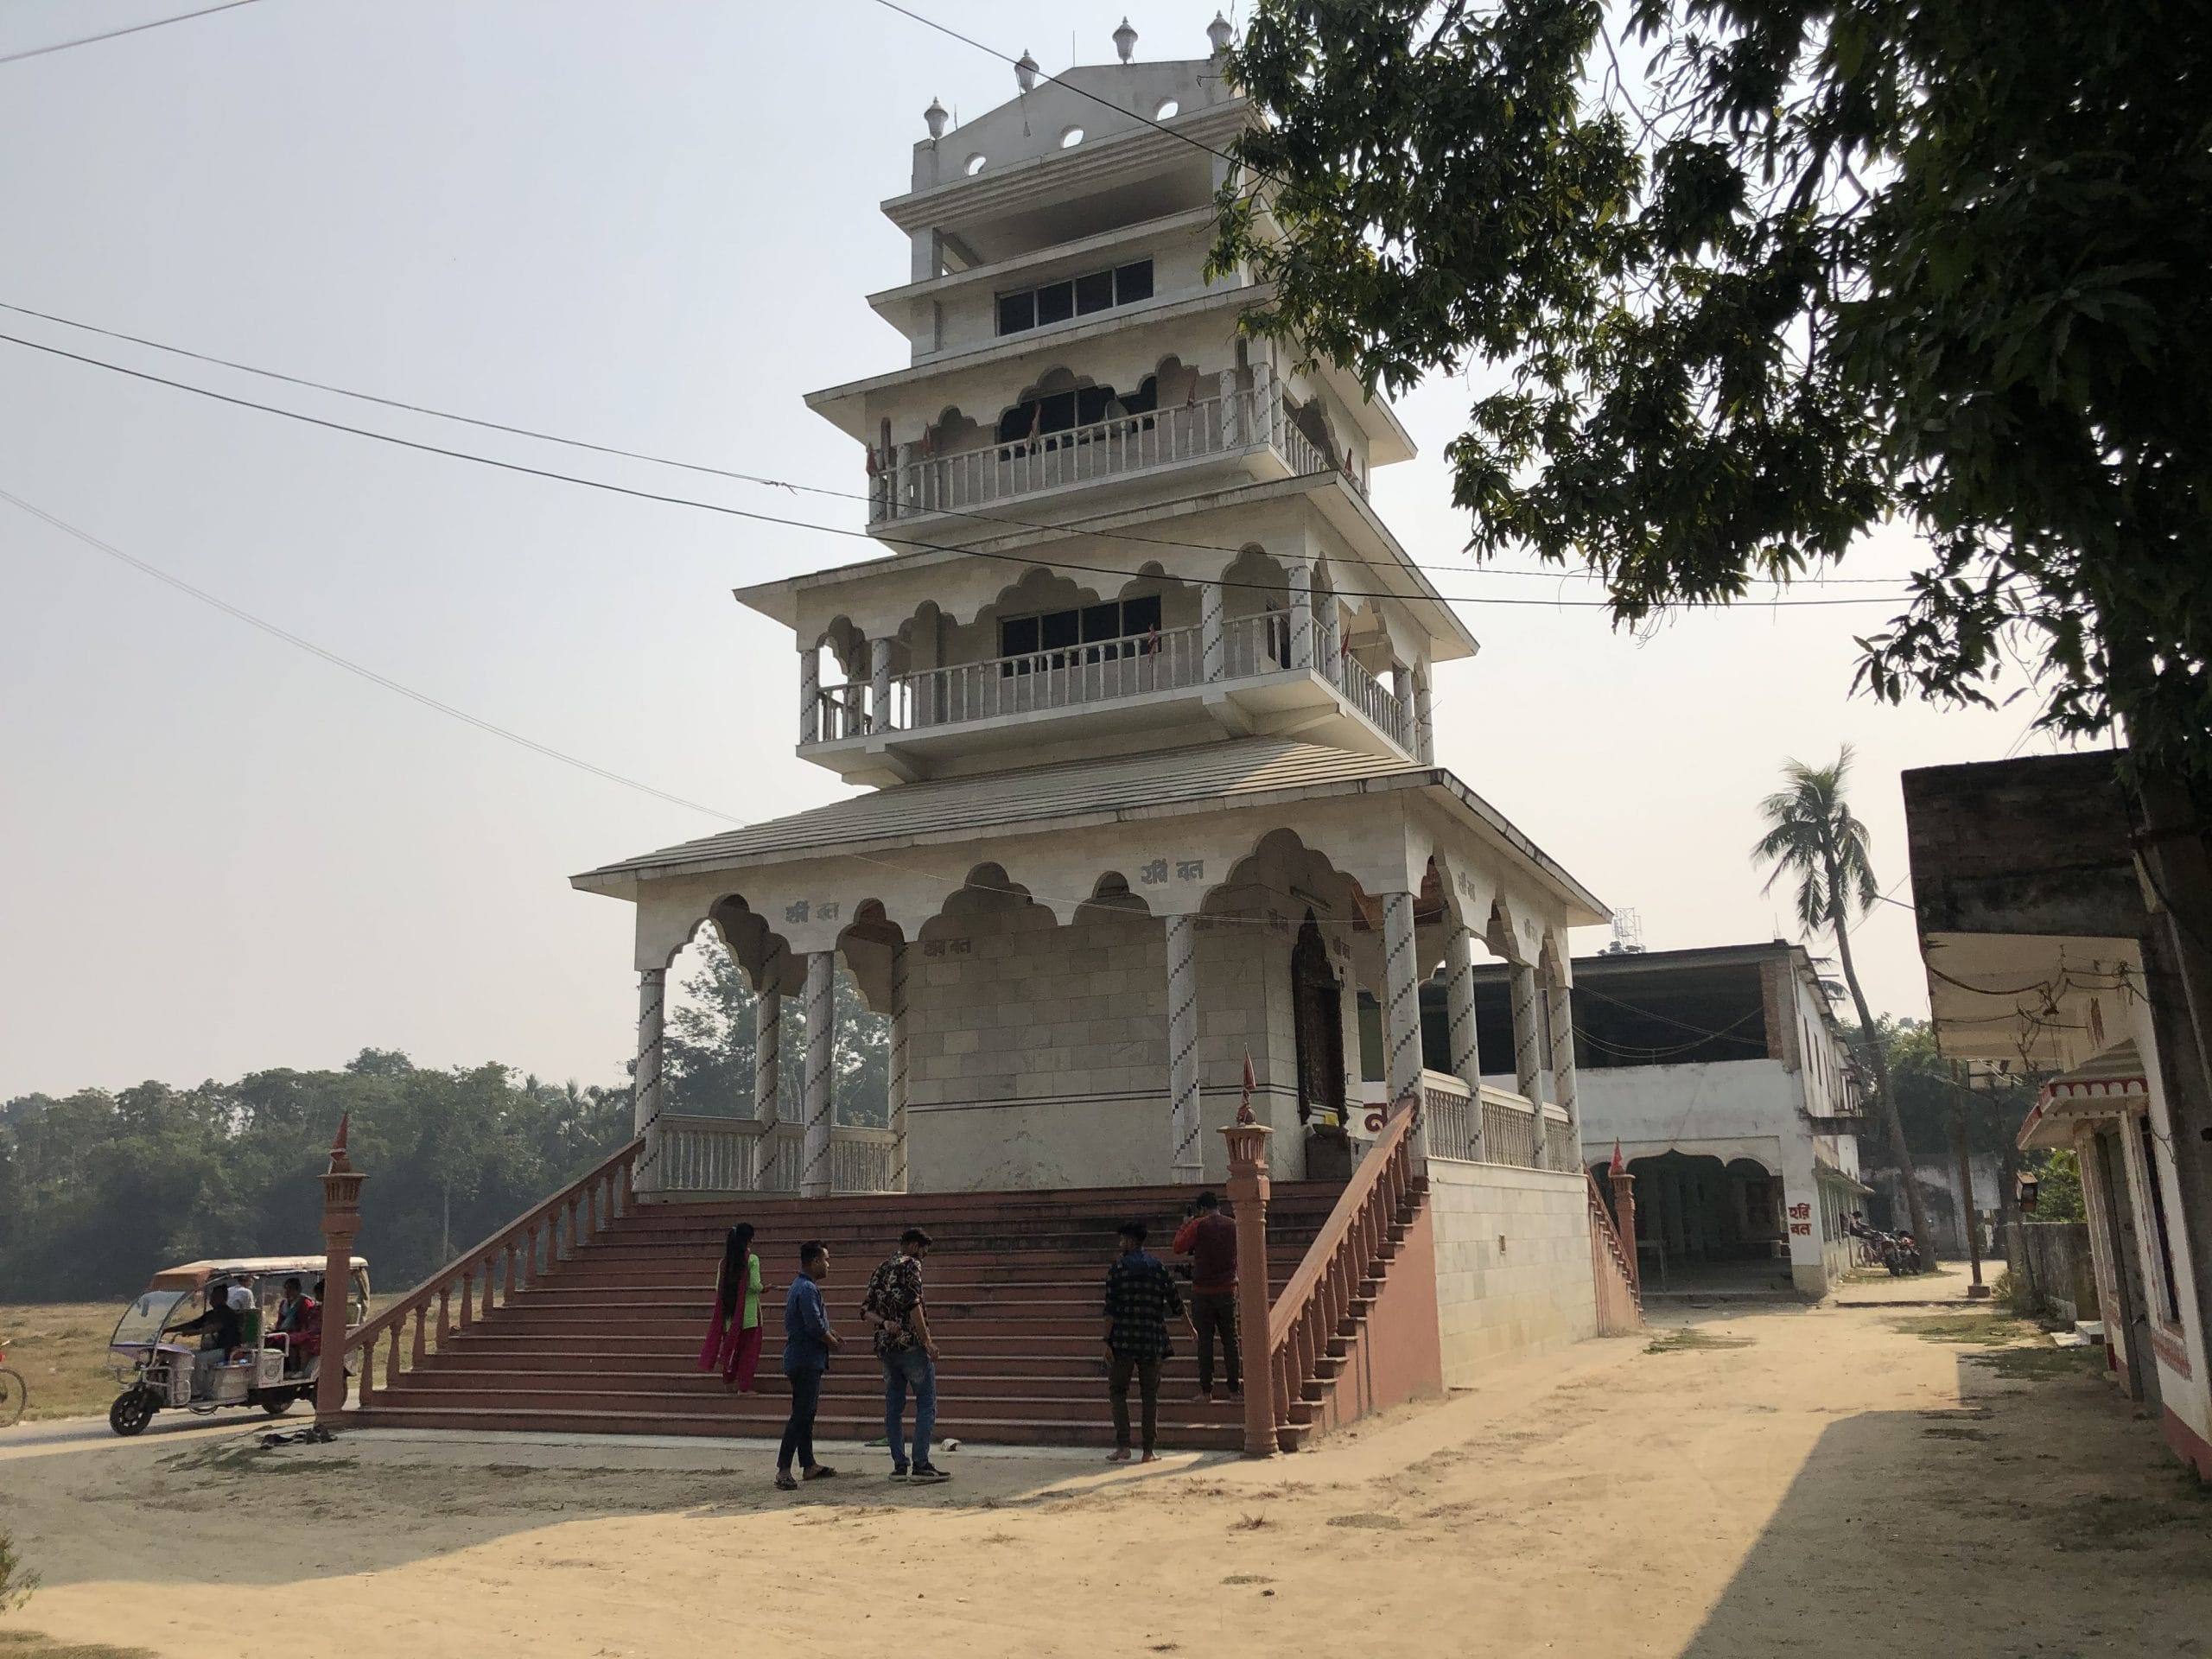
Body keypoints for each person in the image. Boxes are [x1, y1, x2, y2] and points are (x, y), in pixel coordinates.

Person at [861, 1227, 945, 1482]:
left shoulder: (882, 1267)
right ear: (913, 1246)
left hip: (886, 1348)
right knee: (926, 1402)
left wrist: (885, 1324)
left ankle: (899, 1465)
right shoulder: (910, 1266)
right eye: (923, 1251)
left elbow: (865, 1310)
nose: (923, 1257)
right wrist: (927, 1341)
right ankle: (921, 1462)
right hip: (910, 1345)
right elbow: (913, 1304)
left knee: (894, 1407)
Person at [1103, 1221, 1183, 1465]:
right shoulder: (1157, 1267)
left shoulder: (1117, 1268)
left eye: (1122, 1239)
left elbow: (1110, 1308)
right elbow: (1175, 1301)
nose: (1120, 1244)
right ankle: (1148, 1451)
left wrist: (1105, 1340)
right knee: (1150, 1395)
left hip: (1123, 1339)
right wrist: (1190, 1329)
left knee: (1118, 1391)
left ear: (1130, 1241)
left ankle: (1123, 1445)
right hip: (1151, 1339)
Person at [777, 1240, 842, 1491]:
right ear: (814, 1261)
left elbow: (814, 1321)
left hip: (804, 1358)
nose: (828, 1264)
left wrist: (830, 1332)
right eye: (825, 1259)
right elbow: (814, 1326)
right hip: (805, 1358)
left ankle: (808, 1463)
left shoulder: (802, 1287)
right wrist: (831, 1342)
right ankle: (784, 1468)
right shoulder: (806, 1289)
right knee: (801, 1414)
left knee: (806, 1413)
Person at [1172, 1192, 1240, 1401]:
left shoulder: (1198, 1226)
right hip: (1228, 1289)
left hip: (1202, 1291)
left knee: (1205, 1343)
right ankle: (1234, 1389)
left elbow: (1178, 1247)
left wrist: (1185, 1225)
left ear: (1201, 1209)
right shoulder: (1233, 1225)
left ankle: (1206, 1390)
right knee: (1231, 1341)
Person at [698, 1222, 765, 1390]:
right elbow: (755, 1285)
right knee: (748, 1352)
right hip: (748, 1315)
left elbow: (717, 1287)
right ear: (748, 1240)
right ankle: (744, 1387)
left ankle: (728, 1383)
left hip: (730, 1314)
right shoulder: (752, 1259)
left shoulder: (724, 1263)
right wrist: (765, 1289)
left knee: (732, 1348)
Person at [271, 1276, 319, 1373]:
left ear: (297, 1290)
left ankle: (294, 1370)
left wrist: (296, 1331)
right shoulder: (284, 1304)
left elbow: (306, 1320)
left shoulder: (304, 1302)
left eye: (291, 1289)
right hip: (284, 1330)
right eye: (286, 1289)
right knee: (270, 1340)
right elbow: (280, 1320)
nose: (287, 1292)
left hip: (300, 1331)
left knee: (290, 1342)